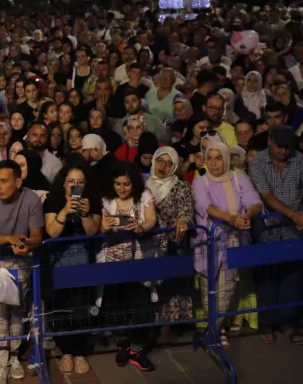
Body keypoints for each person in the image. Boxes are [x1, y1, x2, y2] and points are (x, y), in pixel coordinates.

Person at [248, 125, 303, 344]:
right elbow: (267, 197)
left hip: (294, 228)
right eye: (280, 146)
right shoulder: (257, 163)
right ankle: (267, 322)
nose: (284, 151)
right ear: (270, 142)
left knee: (293, 275)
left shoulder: (302, 160)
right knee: (267, 276)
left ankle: (289, 323)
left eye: (288, 147)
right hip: (266, 226)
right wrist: (294, 214)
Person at [0, 160, 44, 384]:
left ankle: (14, 355)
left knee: (16, 303)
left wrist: (26, 244)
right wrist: (9, 238)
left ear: (18, 181)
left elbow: (37, 237)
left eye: (4, 181)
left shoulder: (31, 199)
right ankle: (1, 361)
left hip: (20, 257)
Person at [192, 141, 263, 341]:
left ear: (226, 159)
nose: (213, 163)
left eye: (218, 158)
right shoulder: (200, 181)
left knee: (227, 289)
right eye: (209, 158)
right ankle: (215, 331)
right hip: (209, 242)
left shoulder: (239, 178)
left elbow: (255, 202)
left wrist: (247, 215)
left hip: (234, 240)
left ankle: (214, 331)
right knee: (209, 289)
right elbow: (206, 206)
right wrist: (230, 218)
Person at [98, 162, 157, 371]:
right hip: (112, 261)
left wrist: (141, 227)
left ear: (134, 183)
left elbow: (151, 219)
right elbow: (98, 227)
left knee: (141, 307)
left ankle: (137, 349)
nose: (122, 189)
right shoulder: (106, 200)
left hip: (138, 261)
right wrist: (103, 227)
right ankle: (122, 344)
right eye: (118, 184)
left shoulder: (144, 196)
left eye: (126, 184)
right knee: (115, 308)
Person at [43, 160, 99, 375]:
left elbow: (92, 231)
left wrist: (85, 214)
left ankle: (80, 351)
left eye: (80, 182)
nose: (75, 185)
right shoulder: (53, 200)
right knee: (60, 307)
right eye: (71, 181)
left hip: (82, 260)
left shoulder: (91, 201)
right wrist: (64, 212)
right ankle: (65, 350)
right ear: (63, 183)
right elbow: (52, 232)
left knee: (81, 305)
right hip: (57, 260)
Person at [146, 146, 195, 328]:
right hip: (149, 245)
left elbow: (185, 213)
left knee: (172, 288)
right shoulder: (144, 186)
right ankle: (154, 326)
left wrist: (182, 221)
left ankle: (171, 326)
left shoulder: (181, 187)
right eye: (160, 160)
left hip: (174, 244)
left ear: (174, 167)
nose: (163, 166)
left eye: (168, 163)